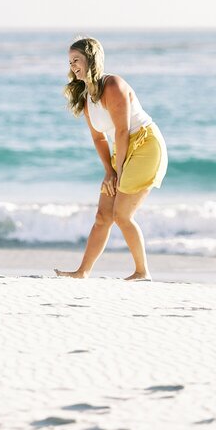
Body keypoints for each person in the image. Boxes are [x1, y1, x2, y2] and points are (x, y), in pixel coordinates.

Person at [55, 37, 167, 281]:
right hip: (123, 149)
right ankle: (82, 271)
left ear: (91, 60)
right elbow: (99, 139)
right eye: (70, 62)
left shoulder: (113, 85)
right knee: (103, 215)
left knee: (121, 214)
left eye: (77, 60)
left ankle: (141, 271)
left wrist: (120, 170)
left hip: (146, 146)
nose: (73, 66)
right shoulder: (87, 98)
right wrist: (109, 171)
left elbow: (122, 131)